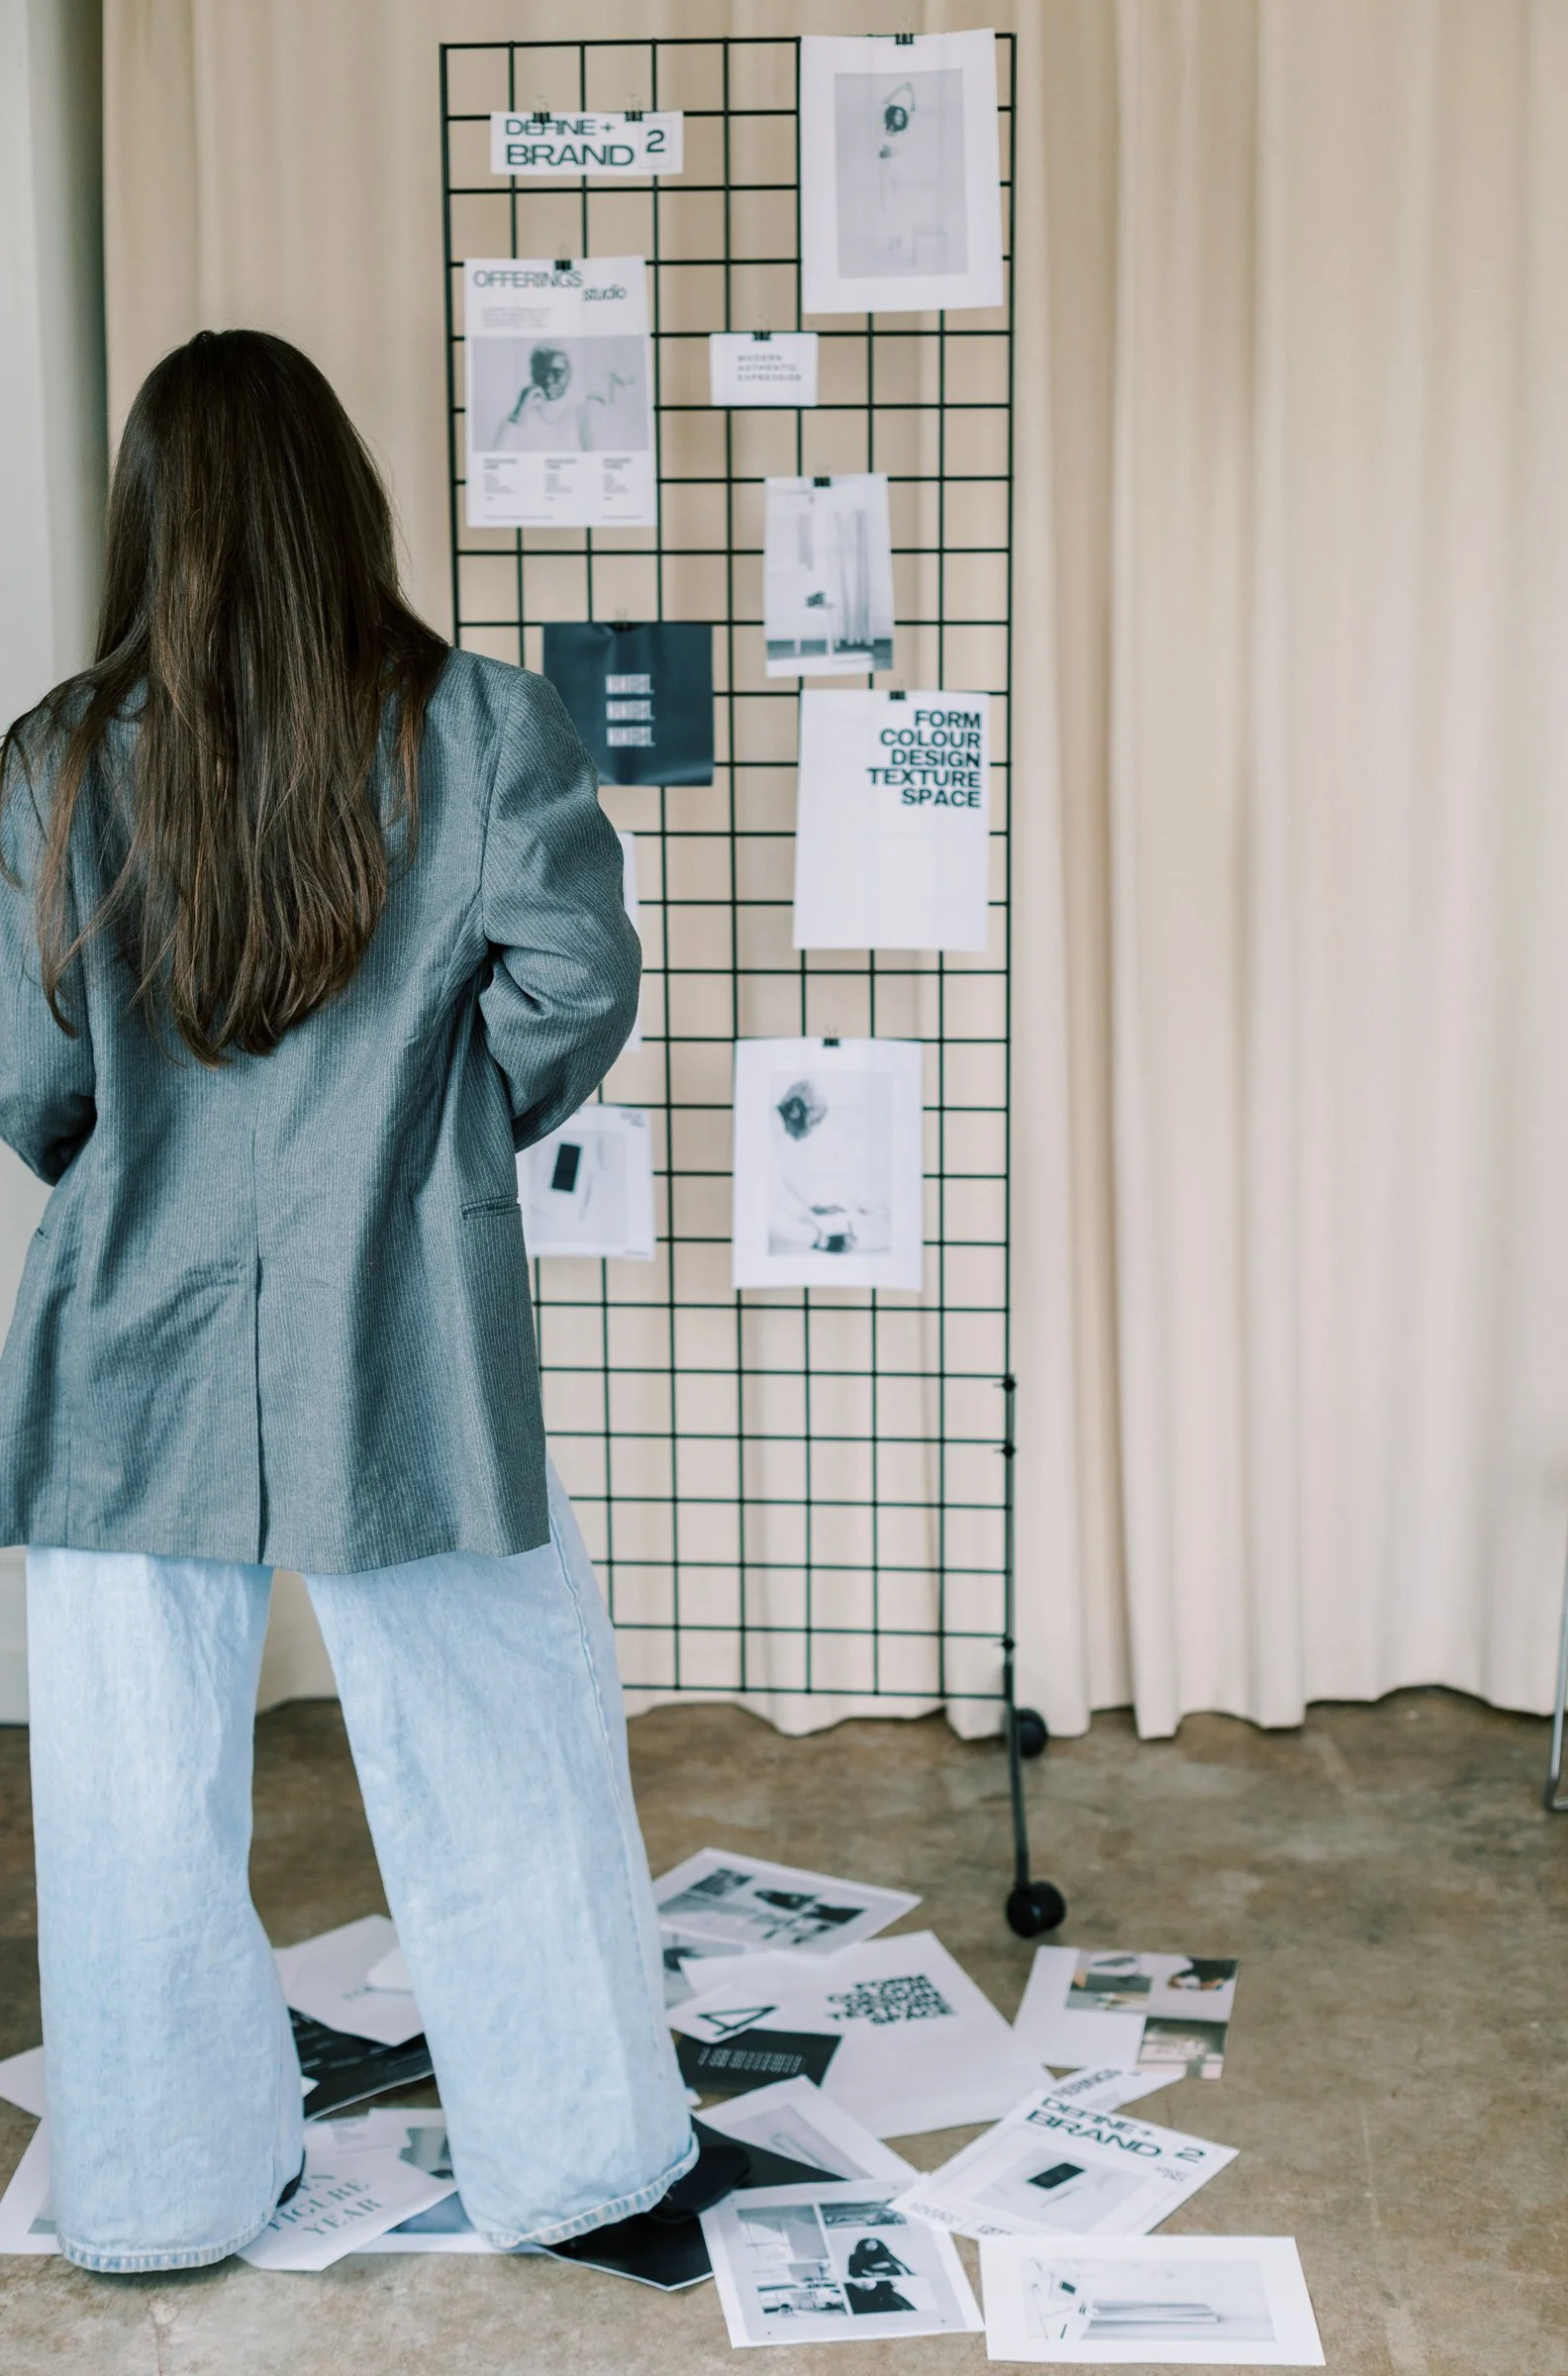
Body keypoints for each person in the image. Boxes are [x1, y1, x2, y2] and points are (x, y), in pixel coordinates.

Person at [0, 329, 699, 2271]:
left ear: (148, 521)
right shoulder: (478, 729)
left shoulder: (56, 763)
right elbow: (572, 982)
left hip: (123, 1341)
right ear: (347, 501)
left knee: (129, 1793)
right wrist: (447, 1144)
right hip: (399, 1316)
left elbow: (34, 1079)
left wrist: (146, 1172)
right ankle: (574, 2161)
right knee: (498, 1740)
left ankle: (157, 2194)